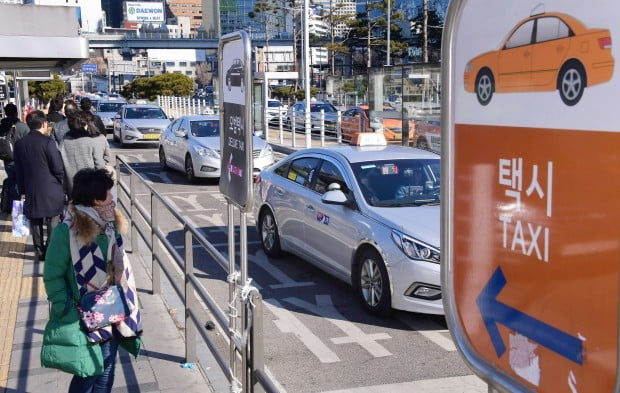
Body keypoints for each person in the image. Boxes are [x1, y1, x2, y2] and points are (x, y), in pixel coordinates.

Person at [41, 168, 142, 393]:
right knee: (88, 372)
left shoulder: (110, 226)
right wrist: (65, 307)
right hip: (82, 315)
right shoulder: (66, 232)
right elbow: (52, 275)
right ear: (95, 200)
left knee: (106, 370)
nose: (113, 199)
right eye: (107, 195)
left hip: (111, 309)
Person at [13, 110, 65, 261]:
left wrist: (22, 189)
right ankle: (50, 248)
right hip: (51, 188)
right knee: (53, 220)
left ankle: (39, 251)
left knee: (35, 220)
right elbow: (57, 168)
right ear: (43, 124)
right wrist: (60, 181)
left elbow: (19, 170)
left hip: (31, 188)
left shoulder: (20, 144)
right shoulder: (48, 142)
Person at [60, 111, 113, 195]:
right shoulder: (90, 142)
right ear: (83, 125)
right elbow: (99, 165)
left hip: (72, 187)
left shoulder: (64, 142)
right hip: (90, 187)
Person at [1, 103, 31, 208]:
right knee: (23, 183)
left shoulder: (2, 126)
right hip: (22, 160)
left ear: (5, 113)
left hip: (7, 159)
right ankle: (21, 207)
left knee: (12, 181)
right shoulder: (23, 127)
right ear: (16, 112)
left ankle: (12, 207)